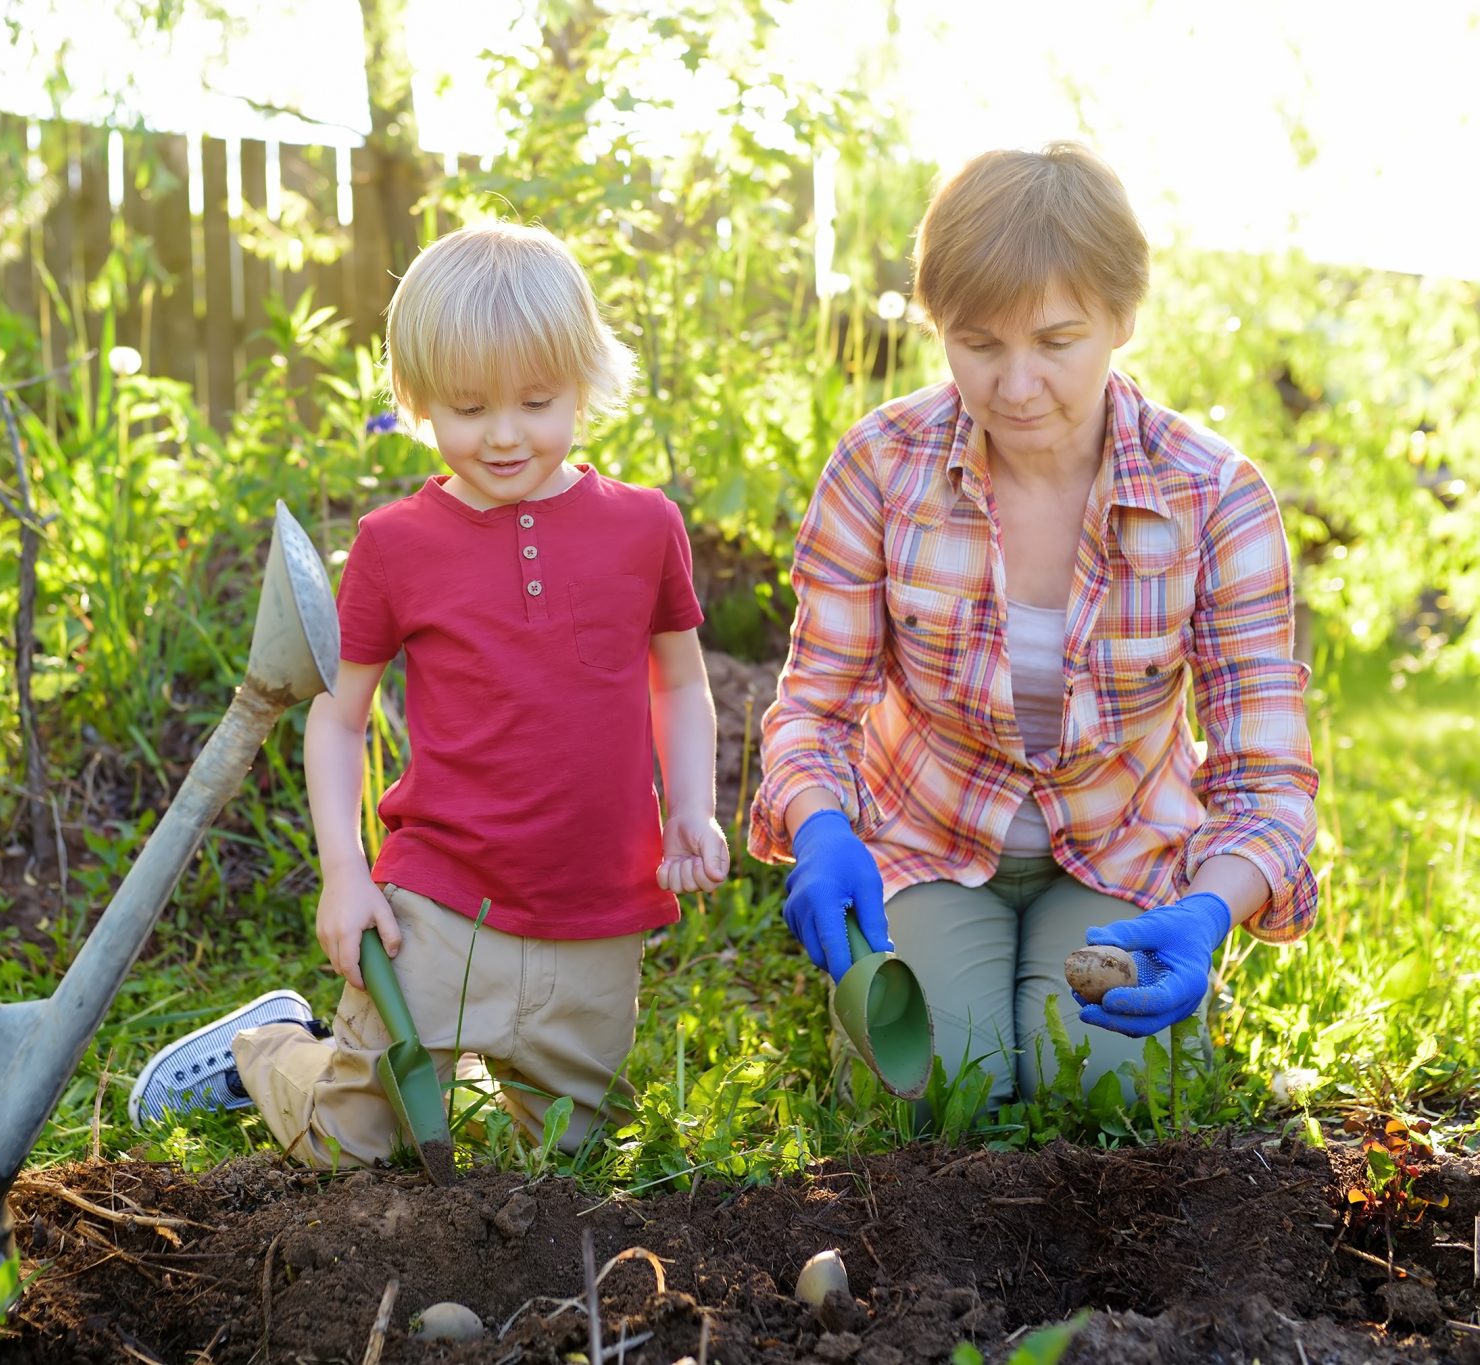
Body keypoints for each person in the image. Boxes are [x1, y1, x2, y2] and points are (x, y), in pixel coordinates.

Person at [130, 221, 730, 1166]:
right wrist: (345, 869)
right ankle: (268, 1054)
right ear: (415, 400)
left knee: (573, 1165)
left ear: (585, 378)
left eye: (536, 401)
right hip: (439, 902)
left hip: (598, 905)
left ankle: (514, 1071)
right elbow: (338, 715)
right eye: (466, 407)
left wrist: (691, 807)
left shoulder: (644, 527)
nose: (501, 434)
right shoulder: (396, 543)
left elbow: (683, 680)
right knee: (356, 1141)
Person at [751, 144, 1319, 1108]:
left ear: (1121, 318)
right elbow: (815, 706)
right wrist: (820, 827)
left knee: (1106, 1083)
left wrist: (1208, 909)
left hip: (1122, 842)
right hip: (929, 838)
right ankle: (938, 983)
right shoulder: (882, 468)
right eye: (979, 343)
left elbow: (1265, 772)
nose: (1015, 387)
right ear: (939, 327)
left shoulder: (1215, 495)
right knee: (931, 1086)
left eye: (1056, 341)